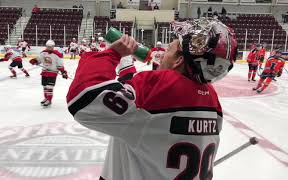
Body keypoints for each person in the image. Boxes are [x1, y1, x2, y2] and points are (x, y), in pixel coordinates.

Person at [66, 18, 237, 180]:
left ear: (178, 60)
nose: (161, 56)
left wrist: (111, 55)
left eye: (168, 50)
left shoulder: (157, 88)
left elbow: (84, 99)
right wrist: (126, 64)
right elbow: (142, 118)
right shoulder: (211, 97)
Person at [29, 40, 68, 107]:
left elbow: (60, 64)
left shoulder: (57, 54)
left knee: (49, 87)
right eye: (48, 46)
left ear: (53, 47)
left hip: (52, 72)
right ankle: (46, 98)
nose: (49, 48)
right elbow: (39, 59)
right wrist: (35, 60)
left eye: (50, 47)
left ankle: (49, 100)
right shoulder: (43, 53)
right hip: (44, 72)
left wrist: (63, 72)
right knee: (44, 86)